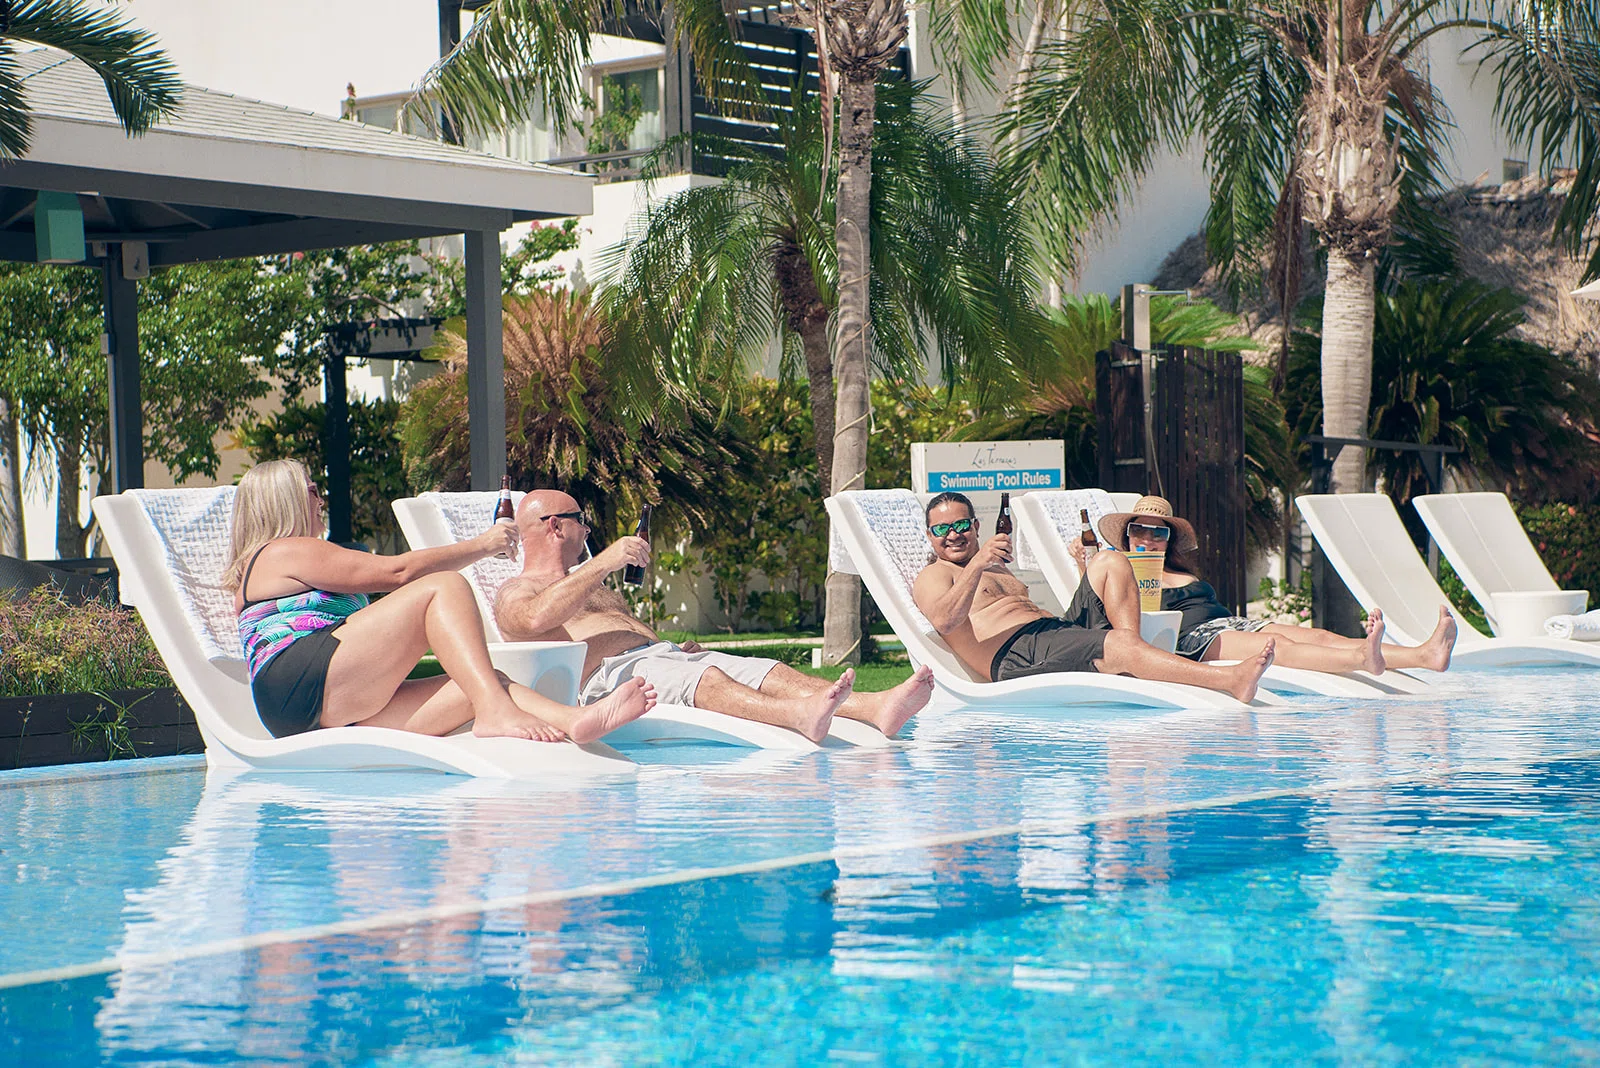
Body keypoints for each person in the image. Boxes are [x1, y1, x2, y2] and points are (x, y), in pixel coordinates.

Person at [224, 460, 655, 743]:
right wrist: (484, 545)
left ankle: (574, 721)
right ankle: (494, 713)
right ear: (287, 501)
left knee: (485, 682)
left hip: (309, 710)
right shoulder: (282, 550)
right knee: (443, 587)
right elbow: (398, 573)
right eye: (313, 489)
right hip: (304, 681)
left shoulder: (278, 561)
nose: (321, 498)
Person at [493, 490, 935, 743]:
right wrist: (605, 560)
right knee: (708, 682)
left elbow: (621, 631)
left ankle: (875, 707)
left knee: (769, 670)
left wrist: (666, 647)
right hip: (609, 681)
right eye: (580, 520)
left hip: (659, 658)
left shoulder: (591, 583)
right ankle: (795, 717)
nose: (587, 529)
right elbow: (531, 621)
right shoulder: (517, 590)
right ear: (554, 526)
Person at [910, 491, 1274, 703]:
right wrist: (978, 564)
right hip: (1016, 655)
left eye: (960, 525)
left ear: (975, 526)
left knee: (1110, 560)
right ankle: (1228, 681)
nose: (952, 535)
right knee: (1115, 645)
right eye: (941, 529)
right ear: (930, 536)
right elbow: (944, 620)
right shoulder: (935, 575)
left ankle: (1135, 654)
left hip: (1053, 633)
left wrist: (1083, 569)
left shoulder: (996, 568)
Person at [1083, 495, 1456, 673]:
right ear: (1127, 536)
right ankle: (1360, 658)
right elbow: (1097, 599)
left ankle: (1424, 655)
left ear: (1169, 539)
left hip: (1227, 622)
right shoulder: (1122, 571)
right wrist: (1082, 559)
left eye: (1159, 532)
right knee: (1280, 647)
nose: (1149, 538)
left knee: (1318, 635)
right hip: (1192, 637)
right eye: (1140, 529)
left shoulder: (1179, 570)